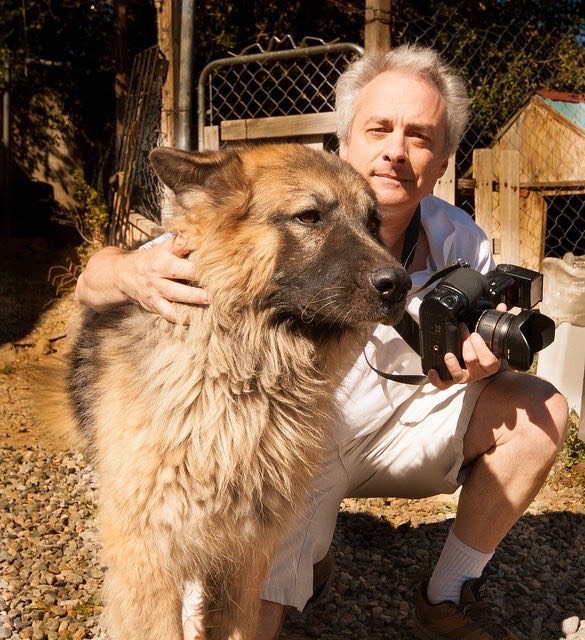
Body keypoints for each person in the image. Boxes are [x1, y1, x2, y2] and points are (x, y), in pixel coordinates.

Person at [76, 45, 568, 640]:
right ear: (345, 143)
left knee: (541, 409)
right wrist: (125, 269)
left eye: (419, 137)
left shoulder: (460, 239)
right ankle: (312, 550)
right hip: (292, 442)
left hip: (365, 435)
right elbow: (98, 279)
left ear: (442, 162)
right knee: (234, 615)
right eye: (379, 129)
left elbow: (479, 349)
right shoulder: (253, 214)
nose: (395, 150)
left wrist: (481, 365)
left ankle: (447, 596)